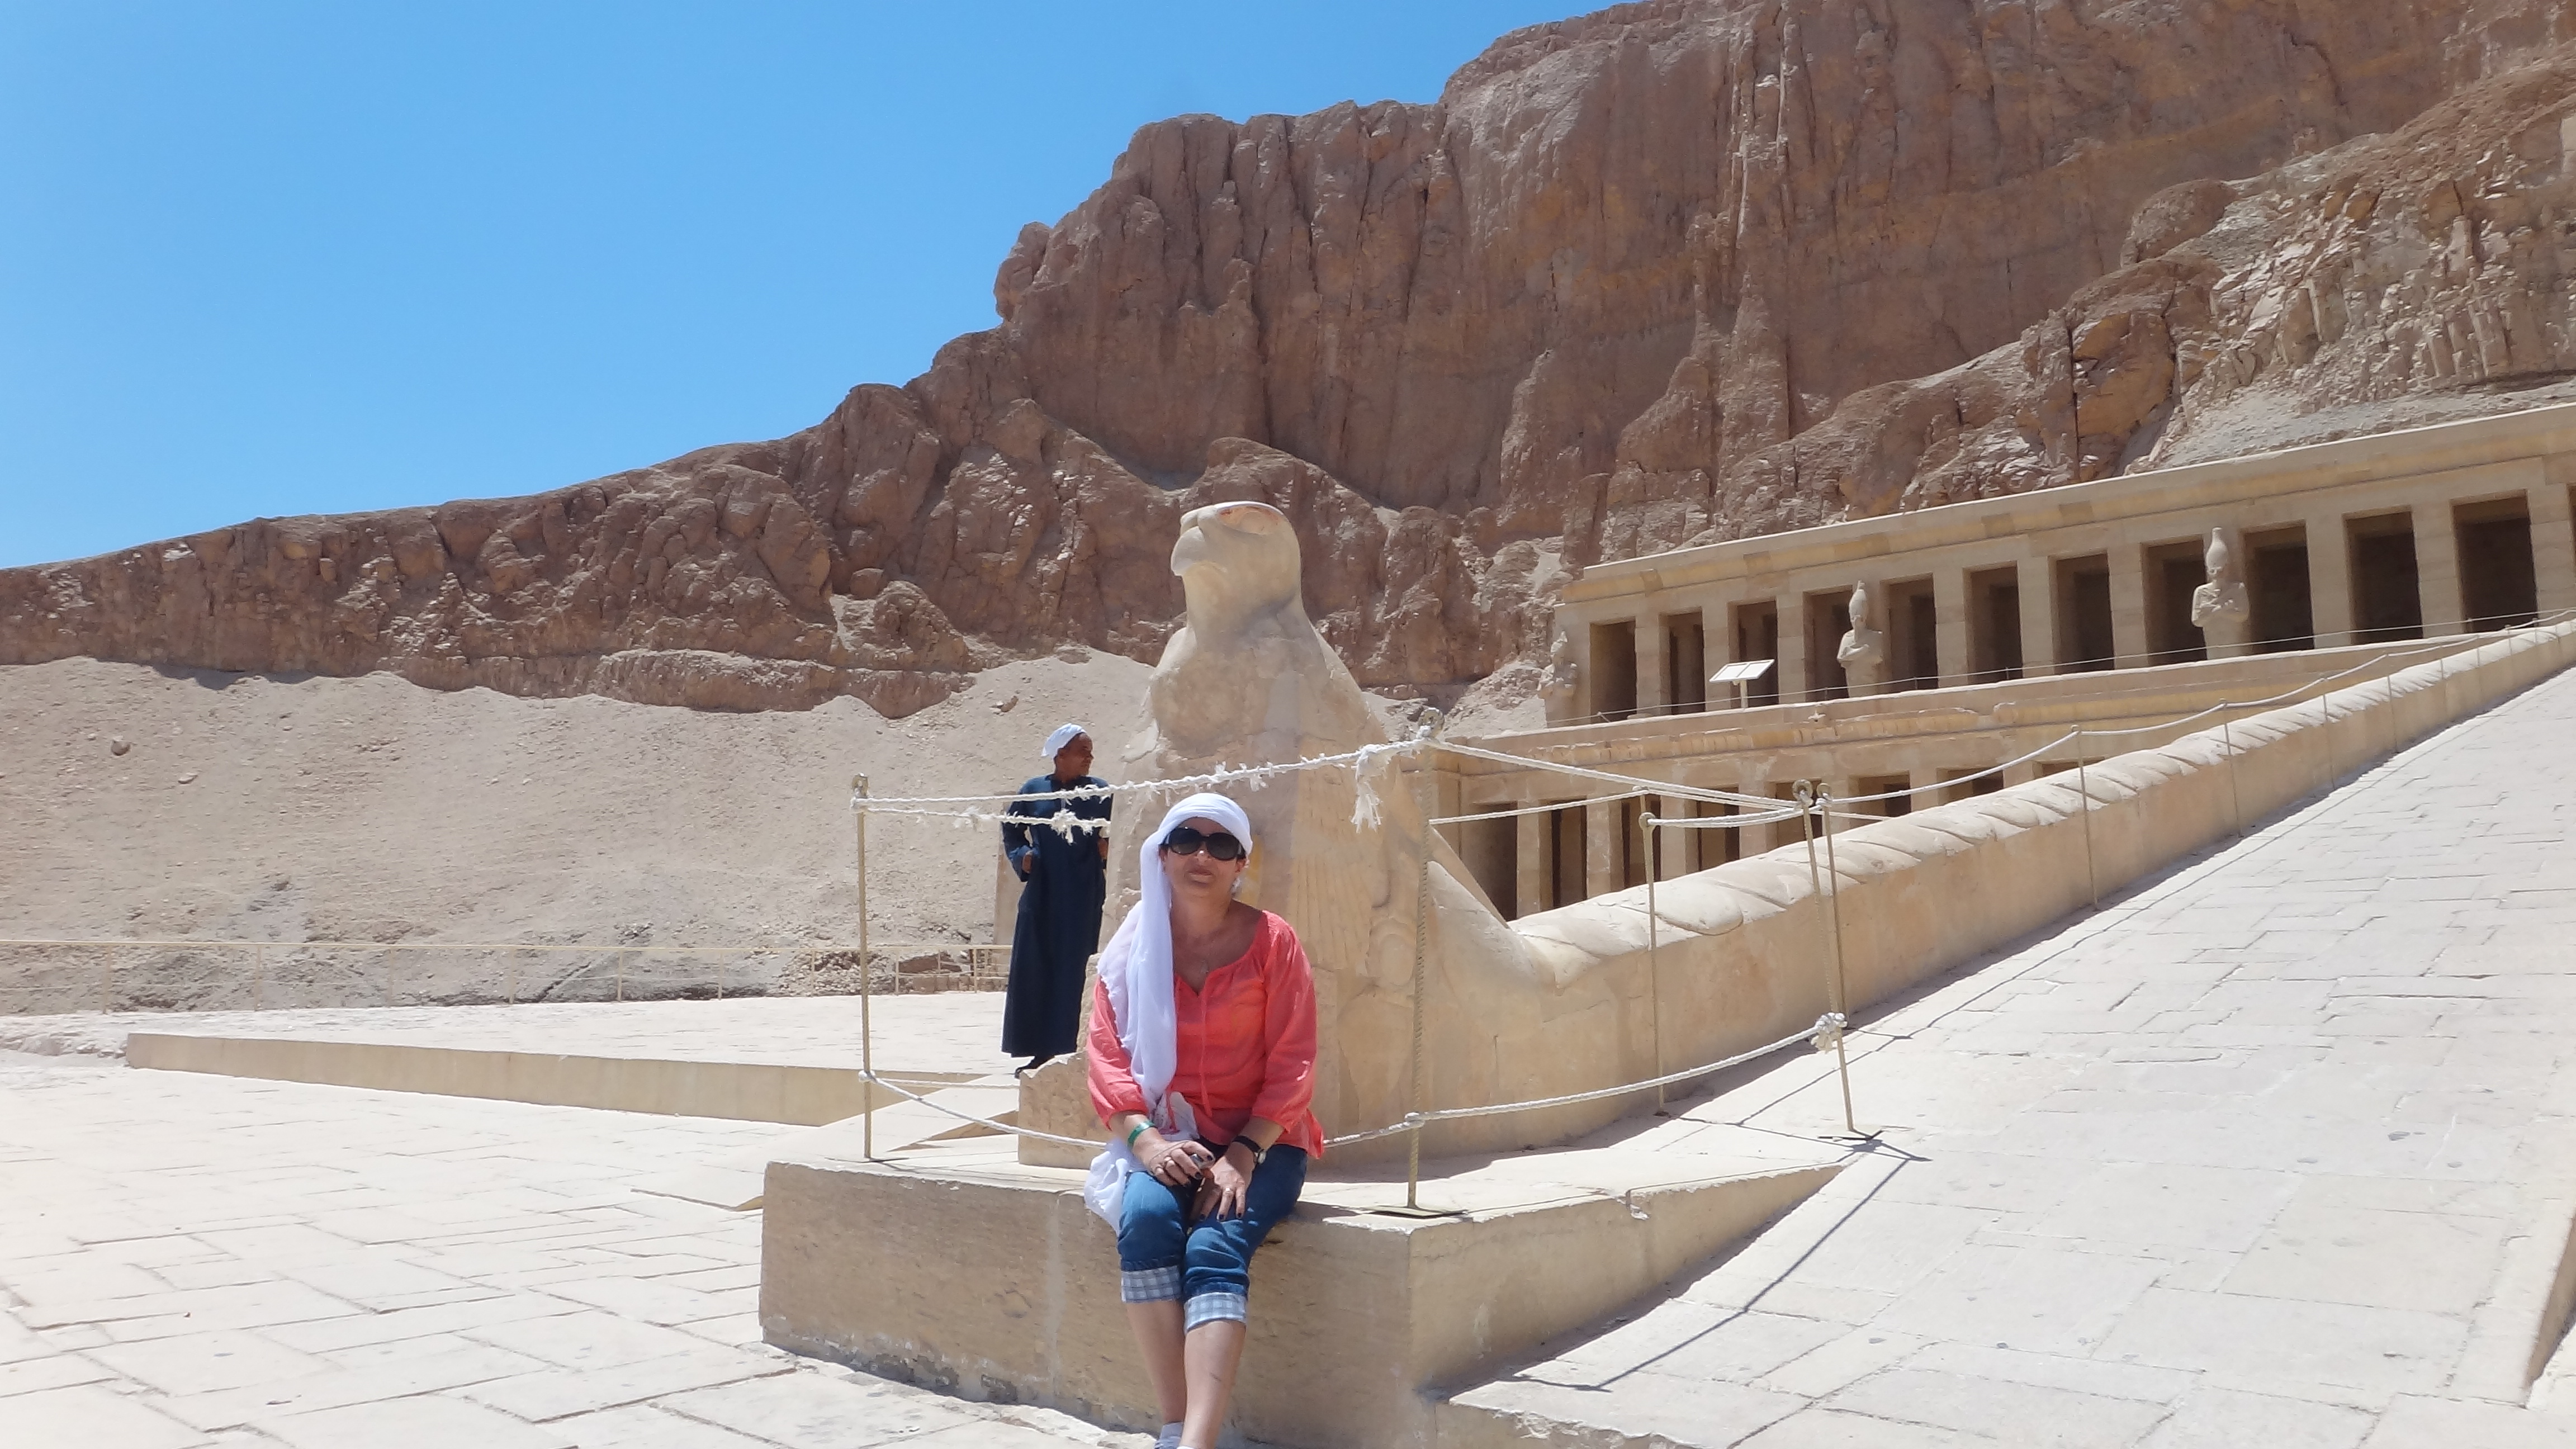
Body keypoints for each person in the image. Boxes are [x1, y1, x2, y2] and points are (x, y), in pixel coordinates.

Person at [1082, 792, 1320, 1449]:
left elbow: (1295, 1063)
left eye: (1221, 845)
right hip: (1168, 1134)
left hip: (1265, 1141)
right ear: (1162, 854)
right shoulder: (1132, 950)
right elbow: (1106, 1059)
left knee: (1214, 1243)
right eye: (1186, 840)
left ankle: (1198, 1443)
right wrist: (1147, 1144)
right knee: (1146, 1222)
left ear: (1241, 863)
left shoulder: (1274, 941)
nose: (1201, 856)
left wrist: (1243, 1155)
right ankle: (1174, 1424)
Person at [1000, 724, 1112, 1072]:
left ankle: (1082, 1049)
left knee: (1079, 968)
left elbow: (1120, 827)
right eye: (1083, 752)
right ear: (1061, 754)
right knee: (1038, 967)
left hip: (1084, 894)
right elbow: (1011, 828)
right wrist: (1022, 856)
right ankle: (1041, 1051)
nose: (1090, 758)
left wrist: (1108, 847)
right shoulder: (1033, 791)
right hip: (1043, 893)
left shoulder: (1101, 792)